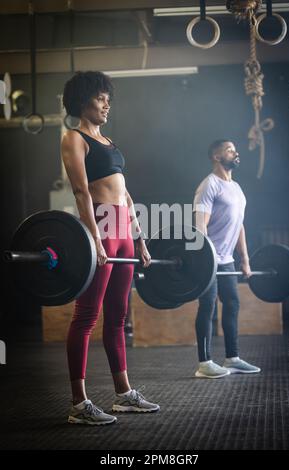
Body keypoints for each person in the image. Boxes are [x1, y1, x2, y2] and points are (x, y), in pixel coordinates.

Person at [61, 71, 160, 425]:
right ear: (83, 100)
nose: (106, 104)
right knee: (87, 315)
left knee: (118, 316)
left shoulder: (110, 141)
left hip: (122, 230)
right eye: (101, 98)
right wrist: (95, 237)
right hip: (99, 228)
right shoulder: (74, 138)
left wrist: (140, 237)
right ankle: (79, 403)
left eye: (108, 99)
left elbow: (126, 195)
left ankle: (123, 395)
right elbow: (81, 192)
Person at [193, 139, 261, 379]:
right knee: (208, 306)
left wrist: (244, 259)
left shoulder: (237, 188)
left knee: (232, 304)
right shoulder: (209, 185)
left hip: (227, 259)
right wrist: (202, 259)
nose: (235, 152)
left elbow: (239, 225)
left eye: (234, 149)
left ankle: (232, 358)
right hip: (209, 259)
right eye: (230, 149)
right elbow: (199, 227)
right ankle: (204, 364)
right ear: (216, 156)